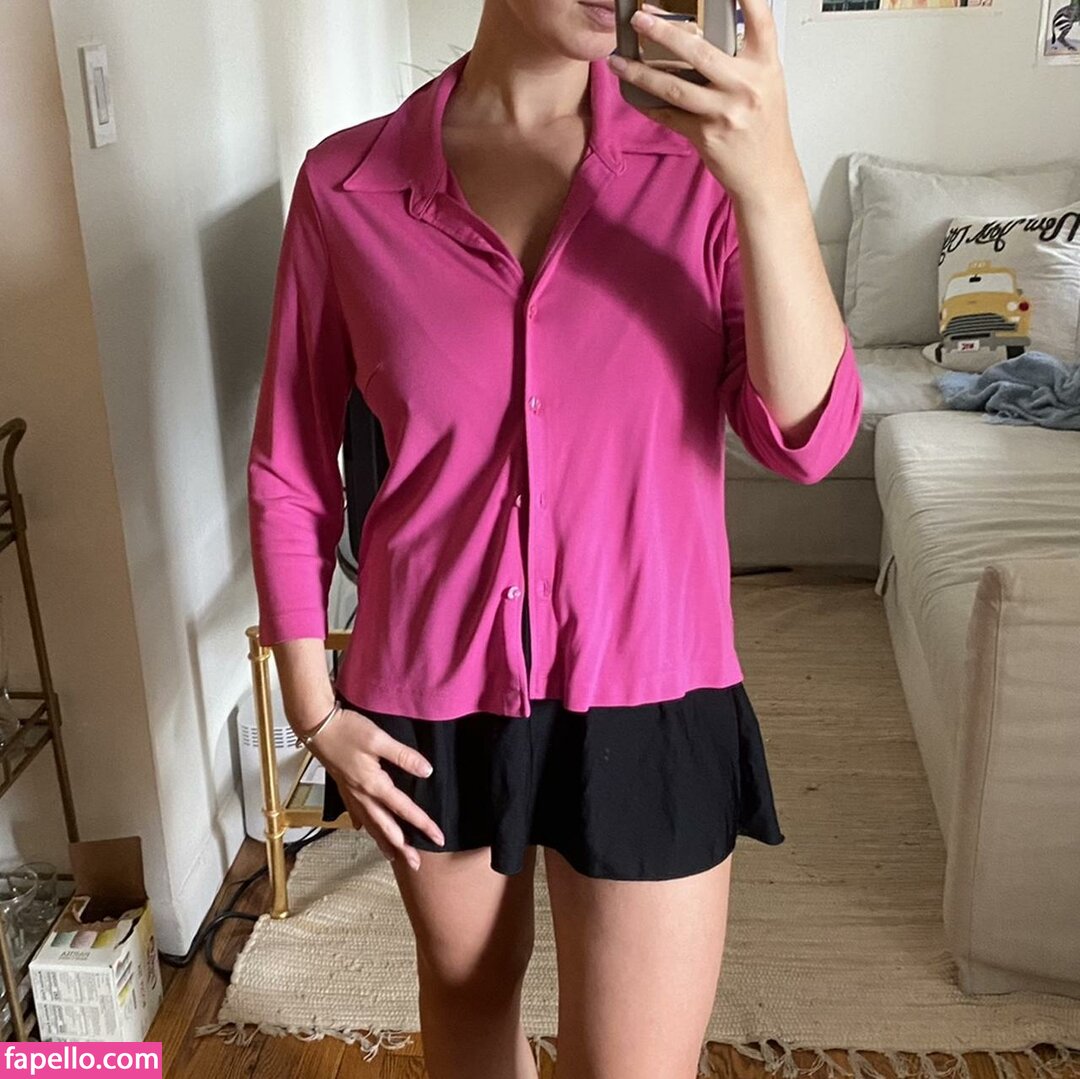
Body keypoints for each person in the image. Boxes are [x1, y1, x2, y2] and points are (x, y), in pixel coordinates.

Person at [246, 0, 863, 1076]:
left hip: (653, 682)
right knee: (469, 1008)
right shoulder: (347, 186)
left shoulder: (700, 168)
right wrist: (313, 706)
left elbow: (807, 440)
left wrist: (769, 184)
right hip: (432, 696)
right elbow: (292, 467)